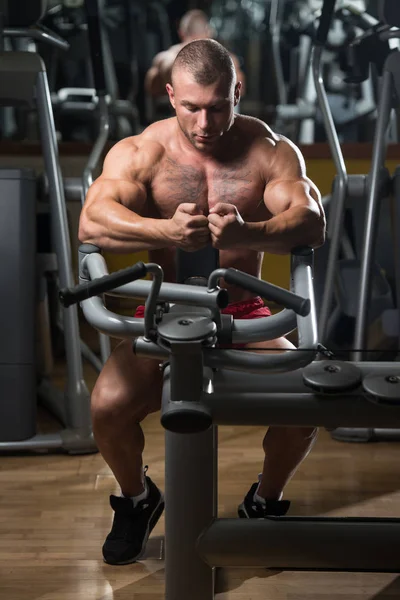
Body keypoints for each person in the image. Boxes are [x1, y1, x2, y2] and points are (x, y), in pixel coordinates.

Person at [79, 39, 326, 566]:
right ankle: (138, 500)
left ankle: (265, 501)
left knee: (306, 404)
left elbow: (311, 220)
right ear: (170, 95)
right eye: (191, 107)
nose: (205, 122)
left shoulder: (270, 150)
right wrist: (162, 229)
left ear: (237, 92)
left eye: (218, 106)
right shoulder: (141, 151)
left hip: (245, 316)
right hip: (163, 319)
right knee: (105, 408)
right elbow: (92, 220)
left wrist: (251, 230)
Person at [144, 9, 246, 100]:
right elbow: (240, 92)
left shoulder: (164, 58)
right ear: (208, 32)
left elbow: (151, 90)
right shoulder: (227, 59)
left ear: (181, 32)